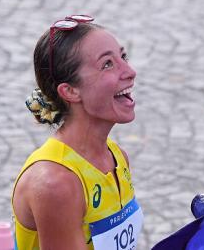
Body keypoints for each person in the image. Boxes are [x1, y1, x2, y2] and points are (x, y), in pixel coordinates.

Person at [12, 15, 143, 250]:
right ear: (70, 91)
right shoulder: (55, 184)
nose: (130, 71)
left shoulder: (117, 156)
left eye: (123, 57)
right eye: (107, 64)